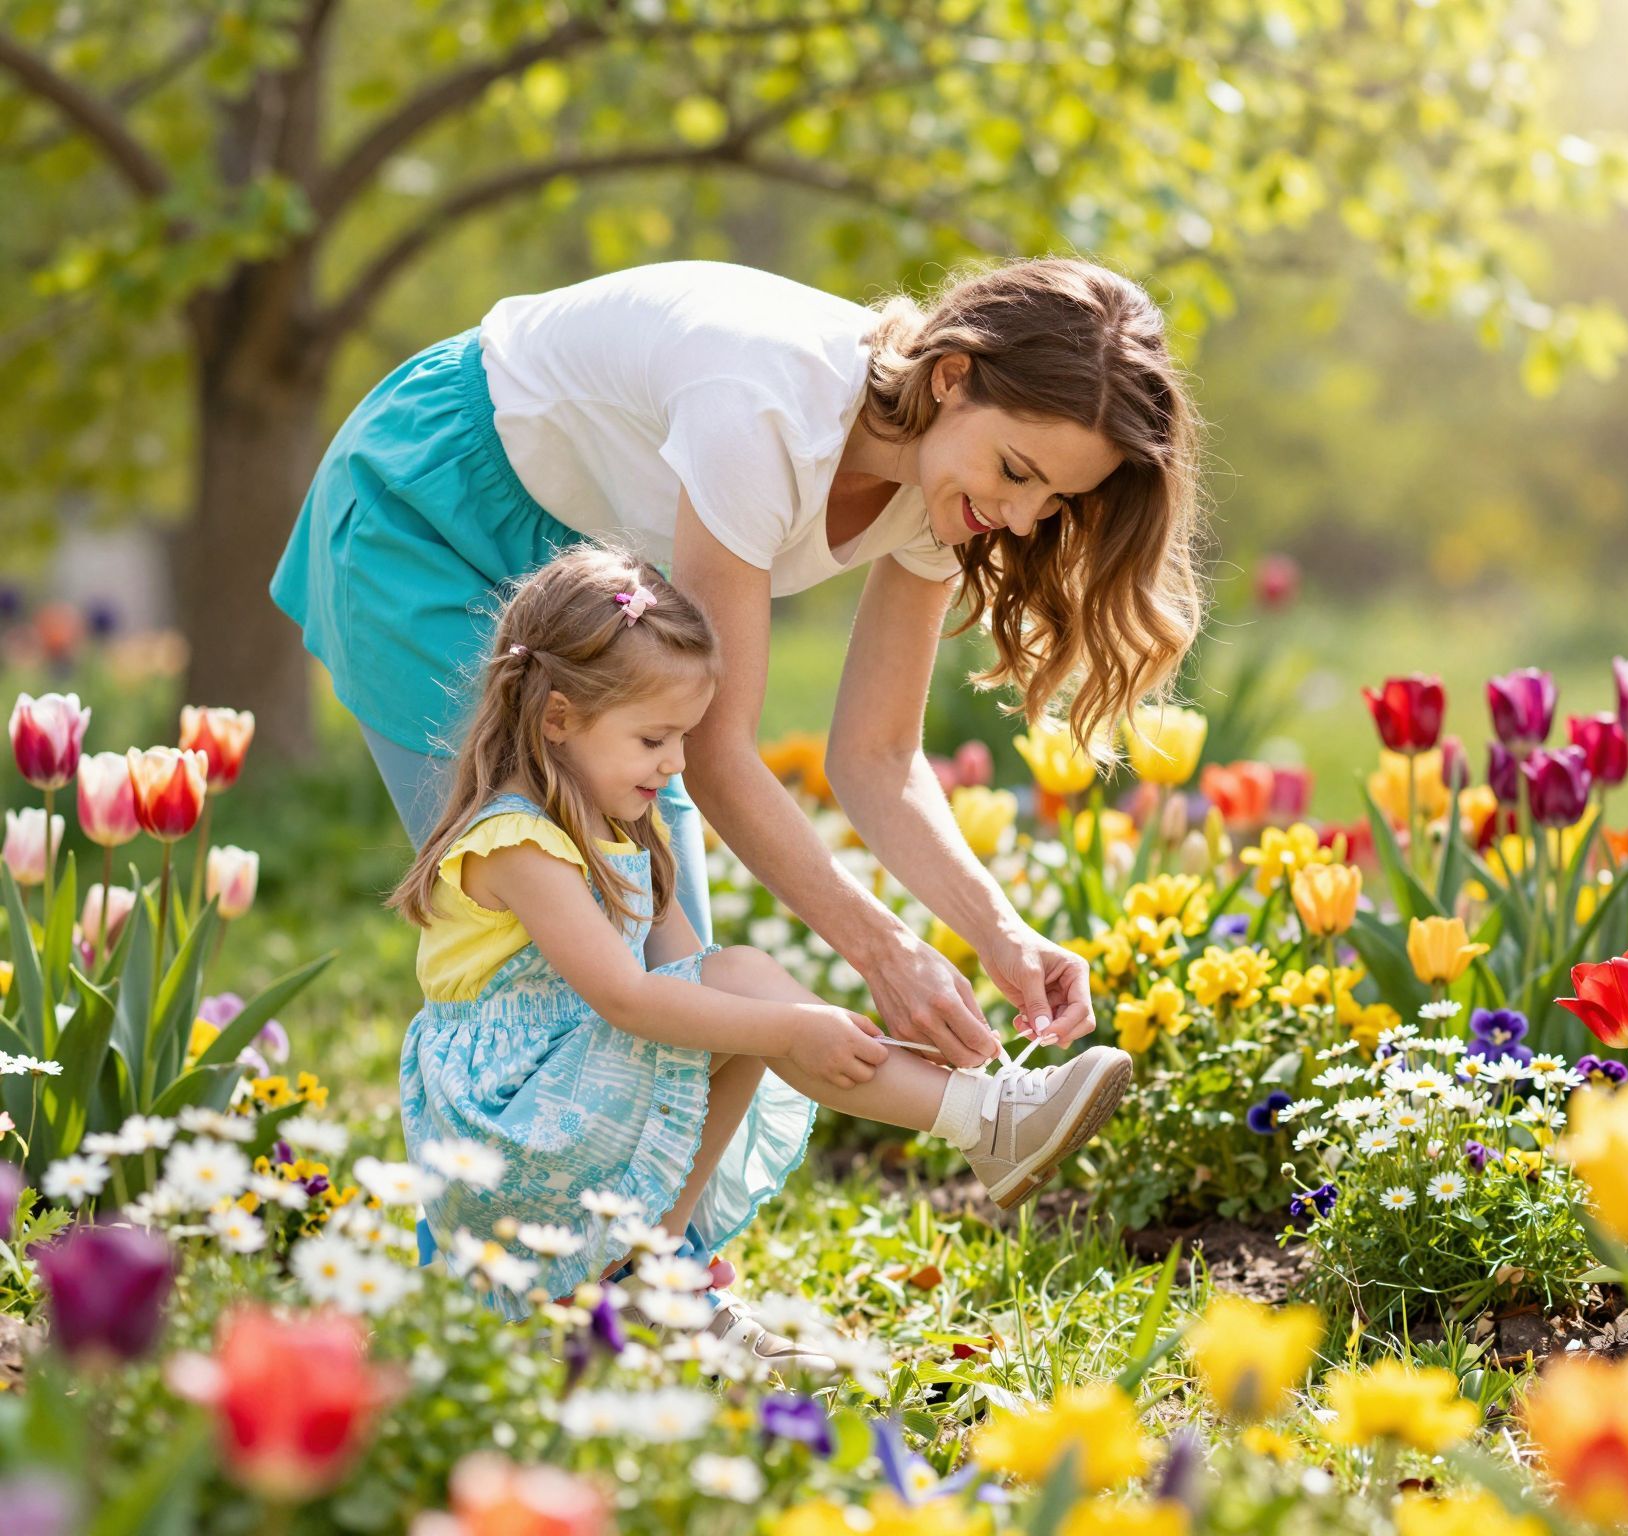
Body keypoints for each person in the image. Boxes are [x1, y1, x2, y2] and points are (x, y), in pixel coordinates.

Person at [271, 256, 1205, 1071]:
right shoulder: (765, 408)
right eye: (1016, 469)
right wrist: (883, 951)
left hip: (582, 571)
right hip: (425, 506)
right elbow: (716, 754)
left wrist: (998, 933)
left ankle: (664, 1274)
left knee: (678, 965)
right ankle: (515, 1263)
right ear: (952, 376)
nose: (1022, 519)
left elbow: (876, 758)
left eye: (1054, 497)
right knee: (540, 944)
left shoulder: (945, 494)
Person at [390, 546, 1133, 1355]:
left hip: (563, 1098)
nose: (676, 764)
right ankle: (987, 1120)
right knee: (741, 994)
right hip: (503, 1127)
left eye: (683, 738)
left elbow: (687, 980)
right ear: (557, 718)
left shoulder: (617, 825)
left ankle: (649, 1282)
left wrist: (798, 1028)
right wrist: (784, 1030)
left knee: (734, 999)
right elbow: (629, 1000)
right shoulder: (517, 842)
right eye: (653, 739)